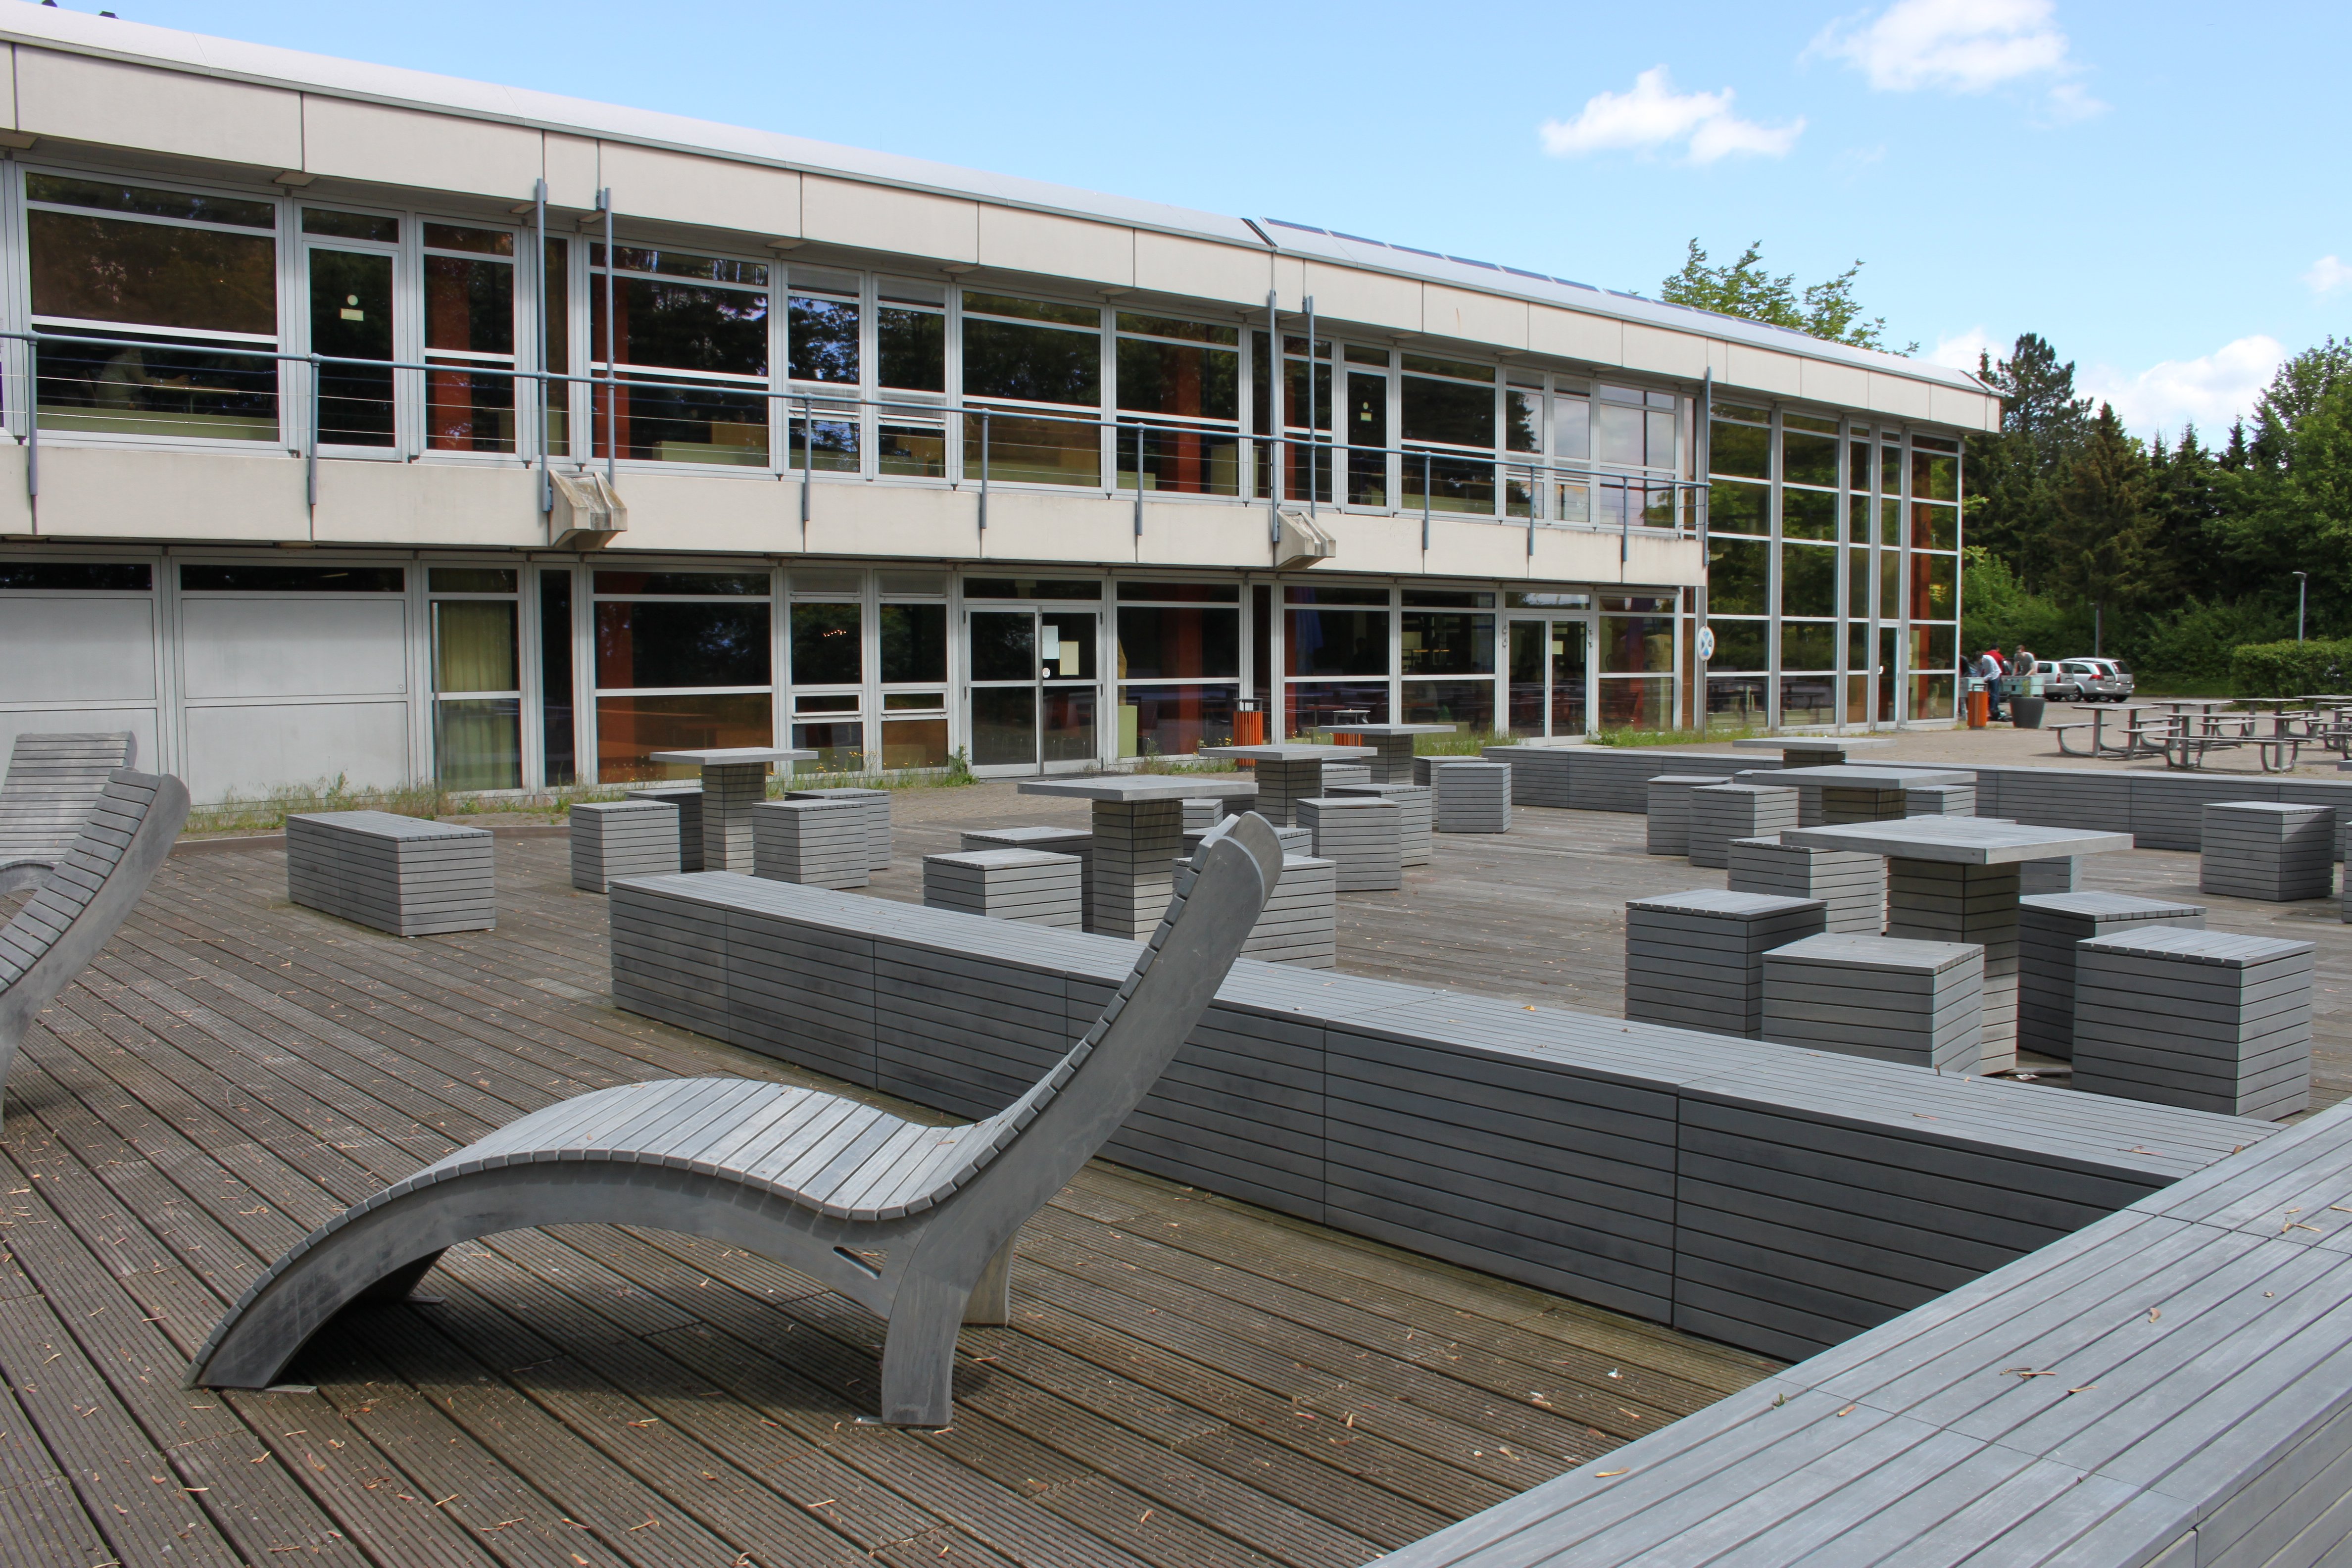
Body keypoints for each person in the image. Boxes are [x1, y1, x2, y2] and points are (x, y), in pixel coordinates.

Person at [1973, 647, 2008, 720]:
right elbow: (1979, 670)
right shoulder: (1977, 662)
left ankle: (1993, 709)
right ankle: (1988, 708)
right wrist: (1979, 678)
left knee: (1994, 693)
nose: (1978, 662)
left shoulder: (1989, 659)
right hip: (1987, 675)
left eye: (1979, 660)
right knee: (1986, 693)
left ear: (1982, 658)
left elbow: (1993, 672)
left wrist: (1985, 679)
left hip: (1995, 675)